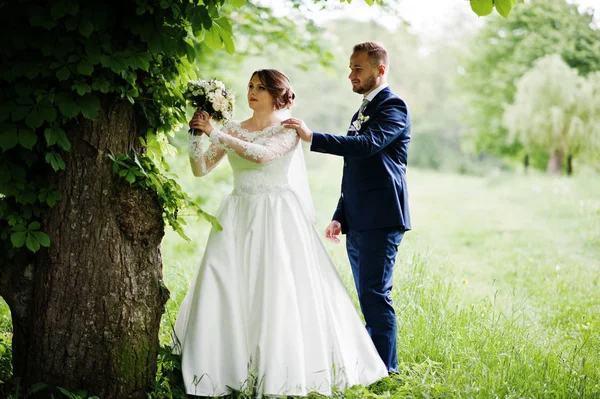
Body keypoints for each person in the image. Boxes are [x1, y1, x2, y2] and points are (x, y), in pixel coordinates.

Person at [173, 68, 388, 397]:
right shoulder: (232, 127)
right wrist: (196, 135)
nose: (252, 92)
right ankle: (223, 366)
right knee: (227, 284)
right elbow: (200, 169)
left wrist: (215, 133)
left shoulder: (288, 128)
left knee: (275, 287)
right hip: (237, 212)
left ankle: (281, 367)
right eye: (250, 86)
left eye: (261, 87)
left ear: (278, 94)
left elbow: (262, 157)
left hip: (276, 214)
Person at [282, 42, 411, 374]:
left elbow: (367, 146)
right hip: (358, 218)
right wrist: (340, 215)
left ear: (379, 70)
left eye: (358, 69)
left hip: (382, 217)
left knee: (375, 295)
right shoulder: (362, 111)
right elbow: (355, 165)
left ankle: (387, 371)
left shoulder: (393, 106)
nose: (350, 75)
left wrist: (313, 137)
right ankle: (371, 367)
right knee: (367, 295)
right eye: (350, 68)